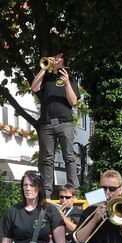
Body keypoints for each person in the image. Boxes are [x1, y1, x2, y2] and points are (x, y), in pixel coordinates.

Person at [29, 53, 80, 197]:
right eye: (55, 57)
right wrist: (44, 69)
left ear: (64, 60)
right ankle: (46, 193)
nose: (56, 59)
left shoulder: (70, 78)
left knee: (69, 157)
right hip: (47, 123)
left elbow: (73, 101)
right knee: (47, 159)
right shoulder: (47, 78)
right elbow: (34, 88)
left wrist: (67, 83)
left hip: (65, 122)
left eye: (59, 57)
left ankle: (73, 190)